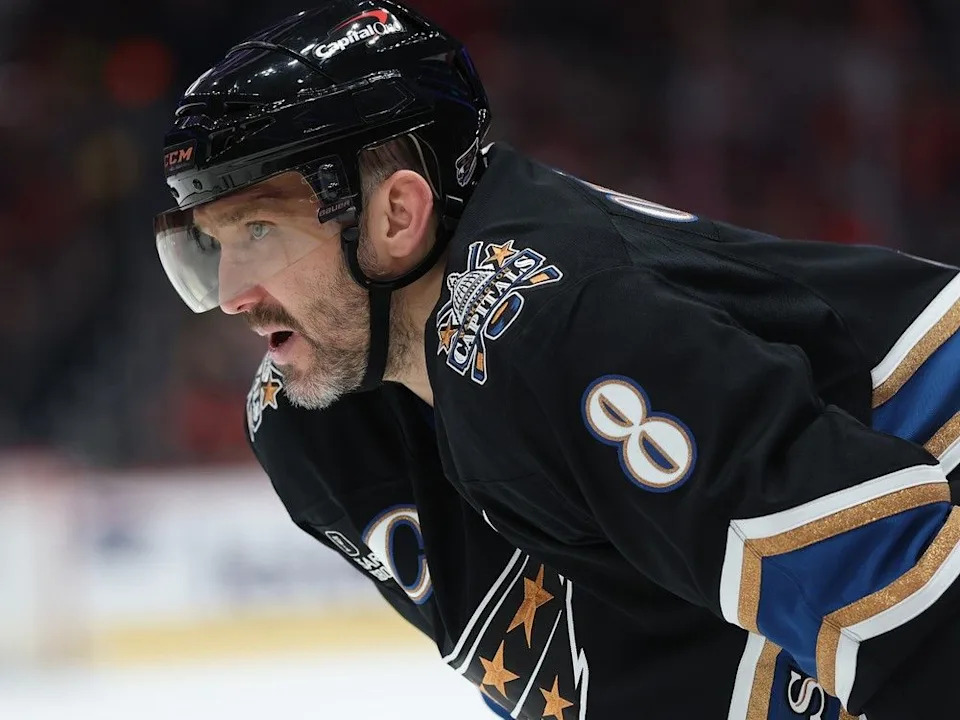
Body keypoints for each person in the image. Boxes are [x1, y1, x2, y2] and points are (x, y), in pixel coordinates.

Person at [154, 3, 960, 718]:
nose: (229, 295)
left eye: (258, 231)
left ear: (396, 213)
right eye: (211, 246)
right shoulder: (316, 425)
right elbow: (615, 676)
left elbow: (907, 609)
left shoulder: (535, 326)